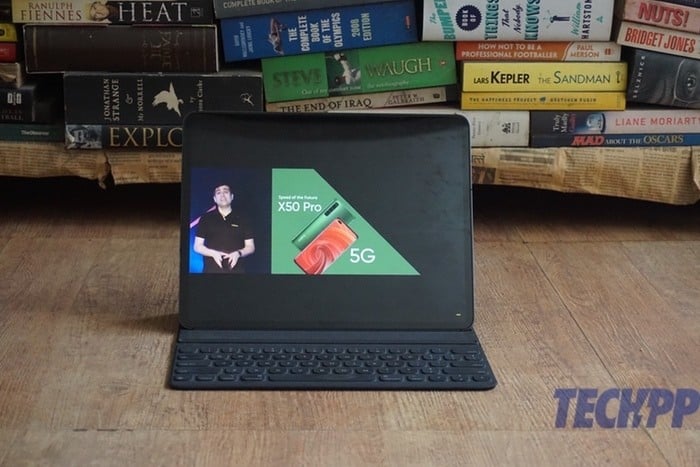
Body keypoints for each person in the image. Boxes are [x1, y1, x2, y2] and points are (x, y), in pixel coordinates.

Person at [193, 183, 255, 273]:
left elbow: (250, 246)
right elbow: (197, 246)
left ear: (232, 196)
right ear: (214, 199)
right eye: (218, 193)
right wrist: (213, 253)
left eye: (225, 192)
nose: (222, 195)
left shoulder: (243, 219)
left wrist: (238, 253)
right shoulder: (206, 218)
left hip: (237, 272)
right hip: (211, 272)